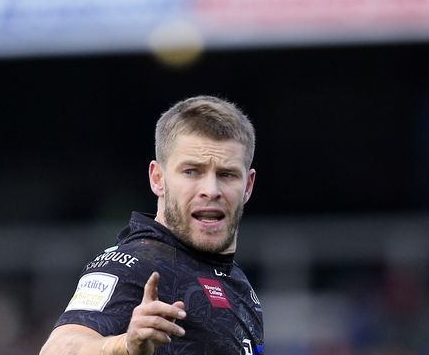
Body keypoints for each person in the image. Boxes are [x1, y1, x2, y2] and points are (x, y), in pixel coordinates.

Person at [40, 95, 264, 355]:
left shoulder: (236, 281)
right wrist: (124, 345)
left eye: (227, 174)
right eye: (192, 171)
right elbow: (57, 349)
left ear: (247, 186)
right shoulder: (135, 264)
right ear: (158, 179)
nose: (211, 190)